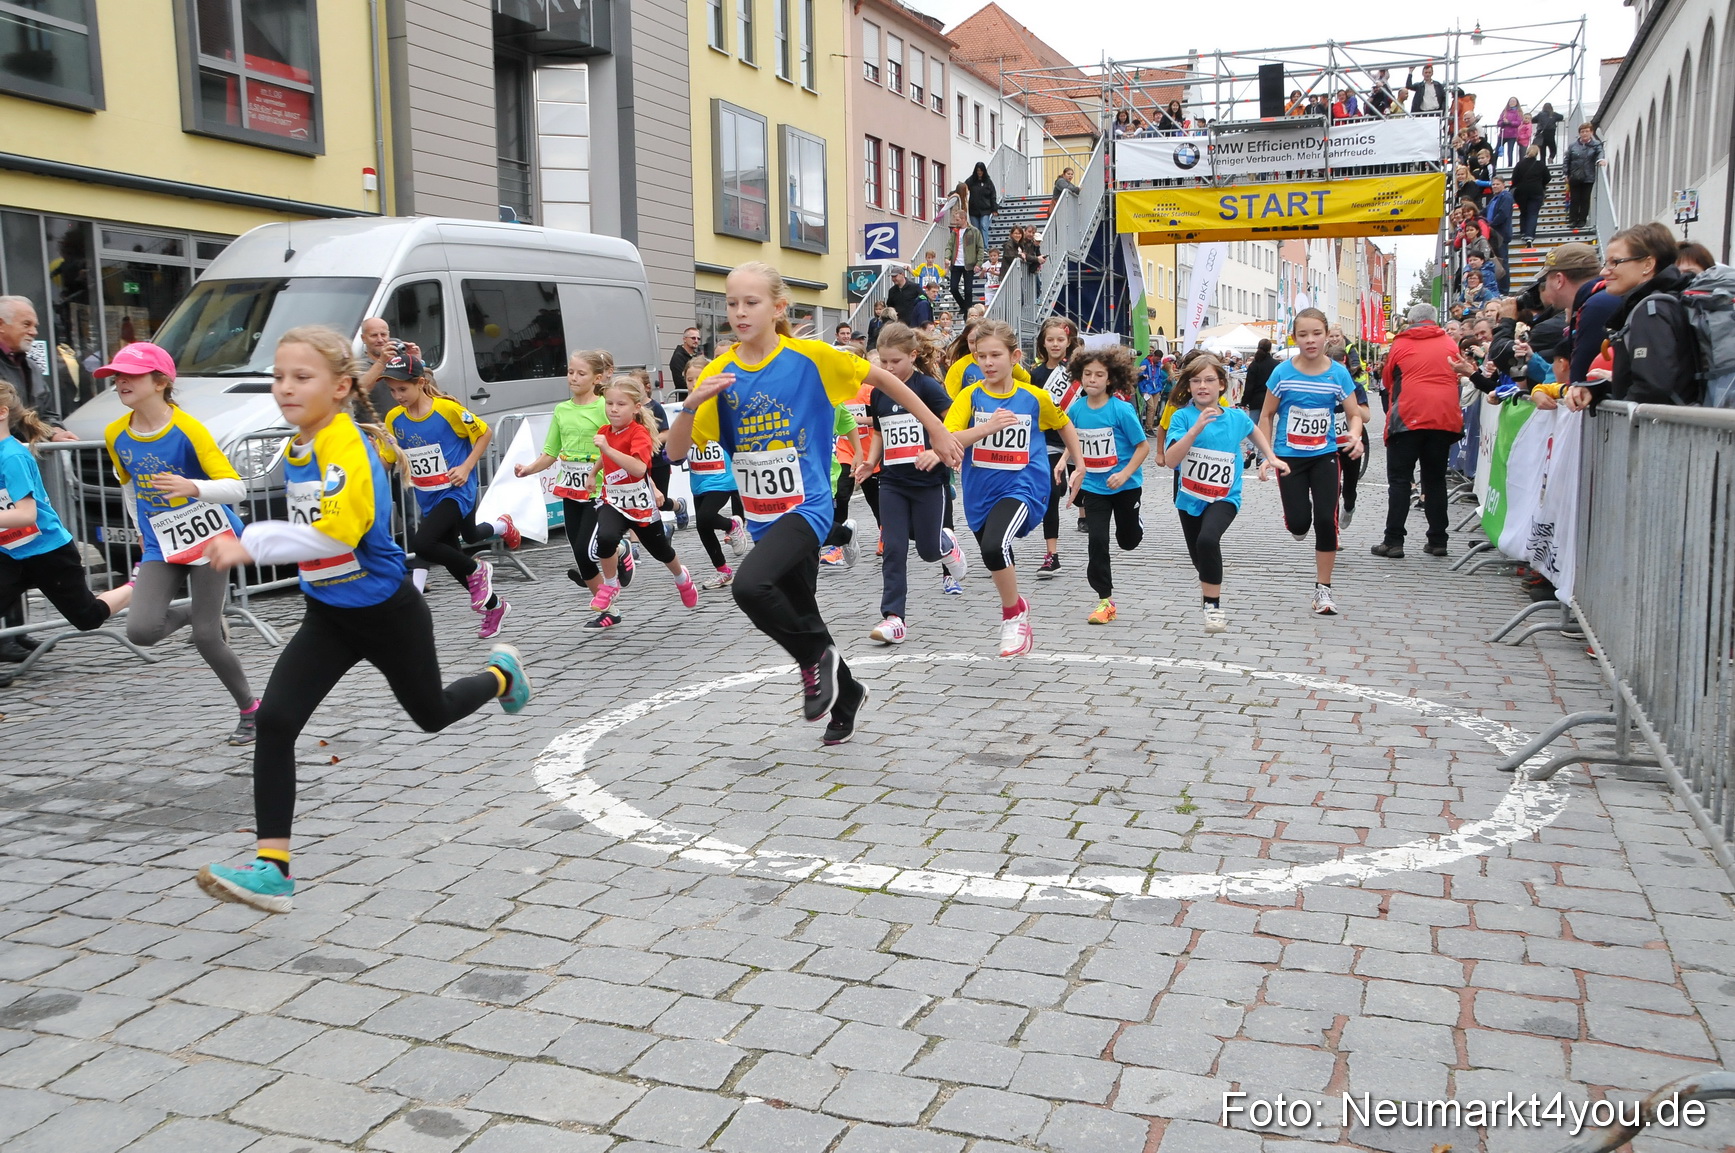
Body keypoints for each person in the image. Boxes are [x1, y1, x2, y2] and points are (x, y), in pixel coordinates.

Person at [199, 325, 532, 913]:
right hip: (328, 615)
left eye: (302, 377)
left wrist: (251, 544)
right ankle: (272, 869)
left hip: (387, 613)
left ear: (341, 387)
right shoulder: (300, 446)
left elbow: (338, 532)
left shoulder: (345, 445)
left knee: (431, 715)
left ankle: (503, 675)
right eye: (279, 377)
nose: (286, 388)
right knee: (275, 723)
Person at [666, 261, 962, 745]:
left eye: (751, 302)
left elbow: (884, 381)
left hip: (808, 505)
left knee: (750, 586)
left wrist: (935, 425)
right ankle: (847, 695)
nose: (739, 312)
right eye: (732, 303)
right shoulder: (720, 372)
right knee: (803, 615)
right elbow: (676, 451)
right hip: (761, 516)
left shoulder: (812, 357)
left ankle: (812, 661)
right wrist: (693, 404)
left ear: (778, 307)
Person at [99, 342, 257, 742]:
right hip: (159, 543)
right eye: (116, 376)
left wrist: (193, 487)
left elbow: (236, 488)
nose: (120, 382)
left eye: (130, 375)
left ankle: (251, 711)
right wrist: (139, 527)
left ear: (160, 381)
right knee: (141, 631)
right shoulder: (115, 433)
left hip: (208, 539)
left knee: (207, 637)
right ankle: (191, 612)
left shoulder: (189, 429)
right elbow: (130, 487)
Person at [944, 321, 1082, 657]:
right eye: (981, 357)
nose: (988, 363)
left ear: (1014, 356)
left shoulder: (1034, 398)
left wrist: (1079, 464)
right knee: (993, 554)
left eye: (995, 355)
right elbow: (949, 438)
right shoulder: (970, 395)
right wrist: (987, 428)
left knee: (994, 547)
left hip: (1025, 486)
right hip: (979, 491)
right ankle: (1017, 602)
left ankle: (1013, 617)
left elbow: (1064, 425)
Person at [0, 378, 134, 690]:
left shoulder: (12, 456)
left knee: (87, 617)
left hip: (48, 551)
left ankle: (138, 587)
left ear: (2, 412)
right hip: (10, 552)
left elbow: (26, 514)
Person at [382, 347, 518, 638]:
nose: (398, 396)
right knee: (453, 556)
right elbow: (388, 458)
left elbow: (483, 432)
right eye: (392, 390)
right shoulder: (394, 418)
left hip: (457, 490)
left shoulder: (448, 409)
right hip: (428, 495)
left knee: (424, 542)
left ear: (420, 383)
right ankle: (494, 606)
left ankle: (478, 569)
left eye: (402, 389)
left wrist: (468, 467)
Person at [860, 323, 967, 645]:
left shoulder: (929, 388)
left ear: (913, 355)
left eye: (895, 362)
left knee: (928, 551)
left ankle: (946, 544)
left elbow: (952, 427)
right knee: (893, 548)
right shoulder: (879, 392)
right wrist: (870, 461)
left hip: (927, 483)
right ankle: (894, 617)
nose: (889, 368)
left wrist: (937, 452)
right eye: (884, 363)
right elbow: (879, 432)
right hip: (891, 482)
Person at [1164, 354, 1287, 633]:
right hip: (1190, 498)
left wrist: (1269, 456)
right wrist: (1194, 430)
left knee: (1208, 541)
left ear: (1222, 384)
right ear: (1188, 386)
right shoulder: (1182, 417)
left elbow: (1253, 430)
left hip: (1225, 497)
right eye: (1196, 381)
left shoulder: (1235, 417)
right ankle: (1209, 587)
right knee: (1200, 557)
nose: (1202, 386)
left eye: (1209, 380)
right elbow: (1171, 460)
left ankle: (1213, 607)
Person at [1257, 308, 1362, 615]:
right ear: (1295, 338)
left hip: (1325, 455)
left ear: (1326, 335)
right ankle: (1297, 522)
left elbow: (1354, 414)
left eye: (1316, 333)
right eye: (1303, 335)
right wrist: (1268, 455)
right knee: (1300, 522)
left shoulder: (1338, 373)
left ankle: (1323, 590)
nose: (1310, 340)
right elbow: (1266, 414)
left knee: (1326, 521)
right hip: (1289, 458)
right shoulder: (1282, 373)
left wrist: (1355, 436)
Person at [584, 374, 700, 628]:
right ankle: (611, 584)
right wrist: (593, 474)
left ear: (636, 407)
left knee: (661, 551)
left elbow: (638, 468)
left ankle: (681, 577)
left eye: (620, 404)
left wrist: (609, 449)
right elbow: (606, 458)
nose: (613, 409)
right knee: (605, 538)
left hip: (640, 505)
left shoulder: (640, 434)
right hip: (613, 500)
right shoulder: (605, 431)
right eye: (609, 403)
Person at [0, 295, 73, 666]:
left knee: (19, 545)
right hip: (5, 463)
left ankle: (16, 631)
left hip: (22, 465)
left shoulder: (29, 362)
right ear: (2, 325)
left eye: (35, 325)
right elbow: (12, 416)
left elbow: (46, 408)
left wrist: (54, 430)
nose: (34, 331)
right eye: (27, 324)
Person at [514, 349, 618, 597]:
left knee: (585, 548)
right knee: (580, 555)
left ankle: (620, 550)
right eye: (570, 372)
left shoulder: (605, 406)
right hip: (571, 490)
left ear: (597, 378)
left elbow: (617, 446)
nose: (573, 377)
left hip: (599, 490)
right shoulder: (562, 410)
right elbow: (551, 451)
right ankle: (608, 605)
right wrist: (529, 469)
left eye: (581, 373)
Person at [1567, 223, 1701, 410]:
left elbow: (1652, 389)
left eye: (1615, 262)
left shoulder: (1651, 310)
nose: (1603, 272)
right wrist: (1597, 390)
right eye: (1606, 263)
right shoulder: (1664, 302)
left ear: (1648, 264)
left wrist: (1617, 408)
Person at [1064, 345, 1148, 625]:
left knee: (1128, 541)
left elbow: (1142, 447)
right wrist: (1066, 462)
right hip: (1095, 487)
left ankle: (1136, 524)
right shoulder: (1076, 409)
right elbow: (1073, 442)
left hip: (1125, 486)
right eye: (1087, 374)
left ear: (1110, 379)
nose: (1092, 380)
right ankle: (1104, 600)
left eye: (1099, 375)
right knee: (1097, 541)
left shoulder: (1121, 410)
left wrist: (1124, 474)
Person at [1372, 304, 1465, 559]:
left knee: (1400, 480)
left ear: (1411, 321)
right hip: (1443, 418)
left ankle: (1393, 541)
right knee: (1434, 480)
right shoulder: (1449, 343)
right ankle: (1438, 540)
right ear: (1435, 321)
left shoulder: (1401, 344)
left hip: (1408, 417)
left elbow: (1389, 380)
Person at [680, 356, 750, 590]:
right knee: (702, 526)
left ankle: (732, 526)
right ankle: (723, 571)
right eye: (689, 379)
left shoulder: (722, 404)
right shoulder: (687, 409)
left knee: (705, 517)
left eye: (699, 378)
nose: (693, 383)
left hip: (723, 476)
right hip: (699, 478)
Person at [1029, 317, 1082, 579]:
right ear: (1043, 342)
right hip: (1047, 444)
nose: (1055, 344)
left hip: (1076, 442)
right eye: (1050, 339)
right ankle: (1052, 556)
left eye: (1060, 339)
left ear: (1069, 341)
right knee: (1051, 493)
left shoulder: (1077, 373)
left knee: (1073, 491)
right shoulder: (1035, 374)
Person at [1565, 123, 1605, 232]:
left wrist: (1601, 160)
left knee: (1585, 199)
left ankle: (1582, 219)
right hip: (1575, 176)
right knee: (1575, 199)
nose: (1585, 134)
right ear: (1580, 133)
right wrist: (1566, 174)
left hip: (1588, 176)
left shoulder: (1596, 144)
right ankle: (1573, 220)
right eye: (1582, 132)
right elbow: (1567, 160)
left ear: (1591, 132)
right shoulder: (1573, 146)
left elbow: (1600, 153)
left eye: (1587, 131)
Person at [1510, 145, 1551, 245]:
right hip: (1536, 191)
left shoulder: (1520, 164)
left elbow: (1514, 179)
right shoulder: (1540, 164)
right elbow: (1548, 177)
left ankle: (1523, 231)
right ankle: (1529, 236)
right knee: (1533, 213)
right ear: (1537, 154)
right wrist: (1541, 184)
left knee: (1524, 212)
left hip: (1521, 192)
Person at [946, 220, 984, 317]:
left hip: (969, 264)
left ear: (963, 219)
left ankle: (967, 314)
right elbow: (949, 246)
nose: (955, 221)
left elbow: (980, 247)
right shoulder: (954, 231)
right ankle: (964, 306)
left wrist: (978, 263)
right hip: (956, 264)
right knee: (953, 288)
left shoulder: (974, 231)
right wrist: (947, 257)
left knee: (968, 290)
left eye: (957, 219)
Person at [1483, 176, 1513, 282]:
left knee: (1502, 262)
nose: (1495, 186)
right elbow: (1484, 211)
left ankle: (1504, 288)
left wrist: (1491, 224)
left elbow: (1503, 214)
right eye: (1493, 184)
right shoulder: (1494, 199)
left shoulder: (1506, 197)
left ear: (1503, 185)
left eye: (1497, 184)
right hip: (1494, 234)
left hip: (1501, 234)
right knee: (1497, 261)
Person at [1241, 339, 1277, 417]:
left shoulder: (1254, 364)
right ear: (1270, 349)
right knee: (1268, 422)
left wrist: (1244, 402)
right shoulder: (1276, 364)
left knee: (1253, 425)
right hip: (1271, 399)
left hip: (1255, 400)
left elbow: (1249, 386)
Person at [965, 162, 998, 240]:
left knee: (983, 226)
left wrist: (994, 209)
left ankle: (985, 247)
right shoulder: (971, 180)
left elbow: (993, 195)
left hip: (985, 209)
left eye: (981, 170)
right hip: (973, 209)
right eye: (978, 170)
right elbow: (963, 188)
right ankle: (977, 247)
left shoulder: (988, 182)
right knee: (975, 229)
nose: (979, 172)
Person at [1496, 98, 1525, 168]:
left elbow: (1519, 122)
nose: (1512, 102)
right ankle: (1494, 164)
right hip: (1503, 134)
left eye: (1513, 101)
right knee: (1497, 149)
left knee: (1510, 151)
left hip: (1512, 135)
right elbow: (1499, 122)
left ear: (1516, 103)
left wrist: (1509, 122)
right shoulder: (1504, 111)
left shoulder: (1518, 112)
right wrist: (1503, 122)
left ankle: (1510, 165)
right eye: (1511, 101)